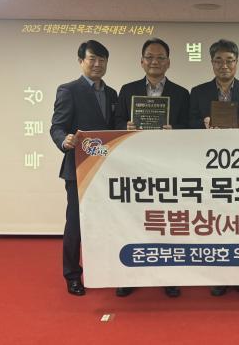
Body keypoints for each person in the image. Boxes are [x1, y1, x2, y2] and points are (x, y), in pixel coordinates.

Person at [114, 37, 190, 298]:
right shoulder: (127, 90)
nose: (154, 61)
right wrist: (125, 127)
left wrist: (174, 130)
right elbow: (115, 123)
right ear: (141, 61)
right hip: (134, 167)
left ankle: (169, 276)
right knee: (134, 220)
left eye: (160, 57)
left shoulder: (181, 93)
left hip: (168, 167)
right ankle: (130, 275)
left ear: (168, 62)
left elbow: (190, 127)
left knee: (167, 221)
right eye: (149, 57)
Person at [189, 38, 239, 296]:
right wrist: (203, 125)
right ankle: (219, 274)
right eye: (218, 60)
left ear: (237, 62)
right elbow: (188, 123)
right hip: (211, 168)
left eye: (229, 60)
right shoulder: (198, 92)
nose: (224, 65)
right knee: (217, 220)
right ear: (211, 63)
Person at [50, 40, 118, 296]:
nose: (98, 64)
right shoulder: (68, 90)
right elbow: (57, 127)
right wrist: (64, 140)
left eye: (102, 60)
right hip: (79, 168)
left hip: (106, 169)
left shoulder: (112, 94)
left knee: (105, 222)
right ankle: (72, 275)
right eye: (92, 59)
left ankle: (103, 269)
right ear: (81, 61)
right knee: (76, 224)